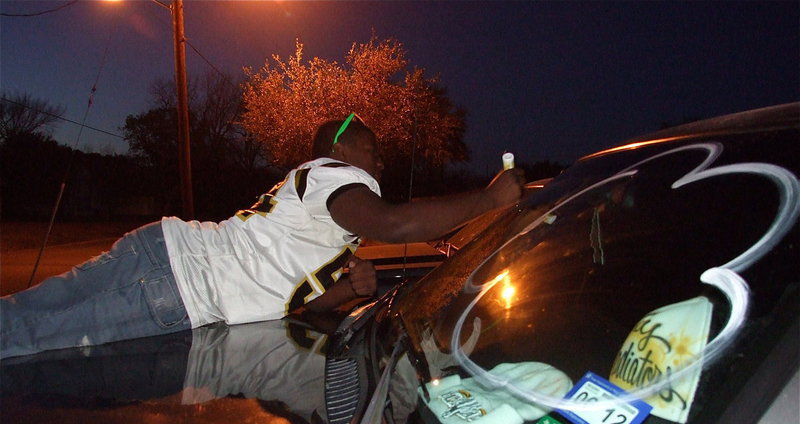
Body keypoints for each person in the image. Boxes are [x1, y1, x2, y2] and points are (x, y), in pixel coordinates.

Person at [1, 115, 525, 359]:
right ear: (341, 151)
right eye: (372, 150)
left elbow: (291, 300)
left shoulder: (320, 205)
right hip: (177, 283)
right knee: (29, 338)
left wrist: (350, 289)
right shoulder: (334, 175)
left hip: (162, 257)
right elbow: (396, 224)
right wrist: (489, 200)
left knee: (25, 314)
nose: (380, 161)